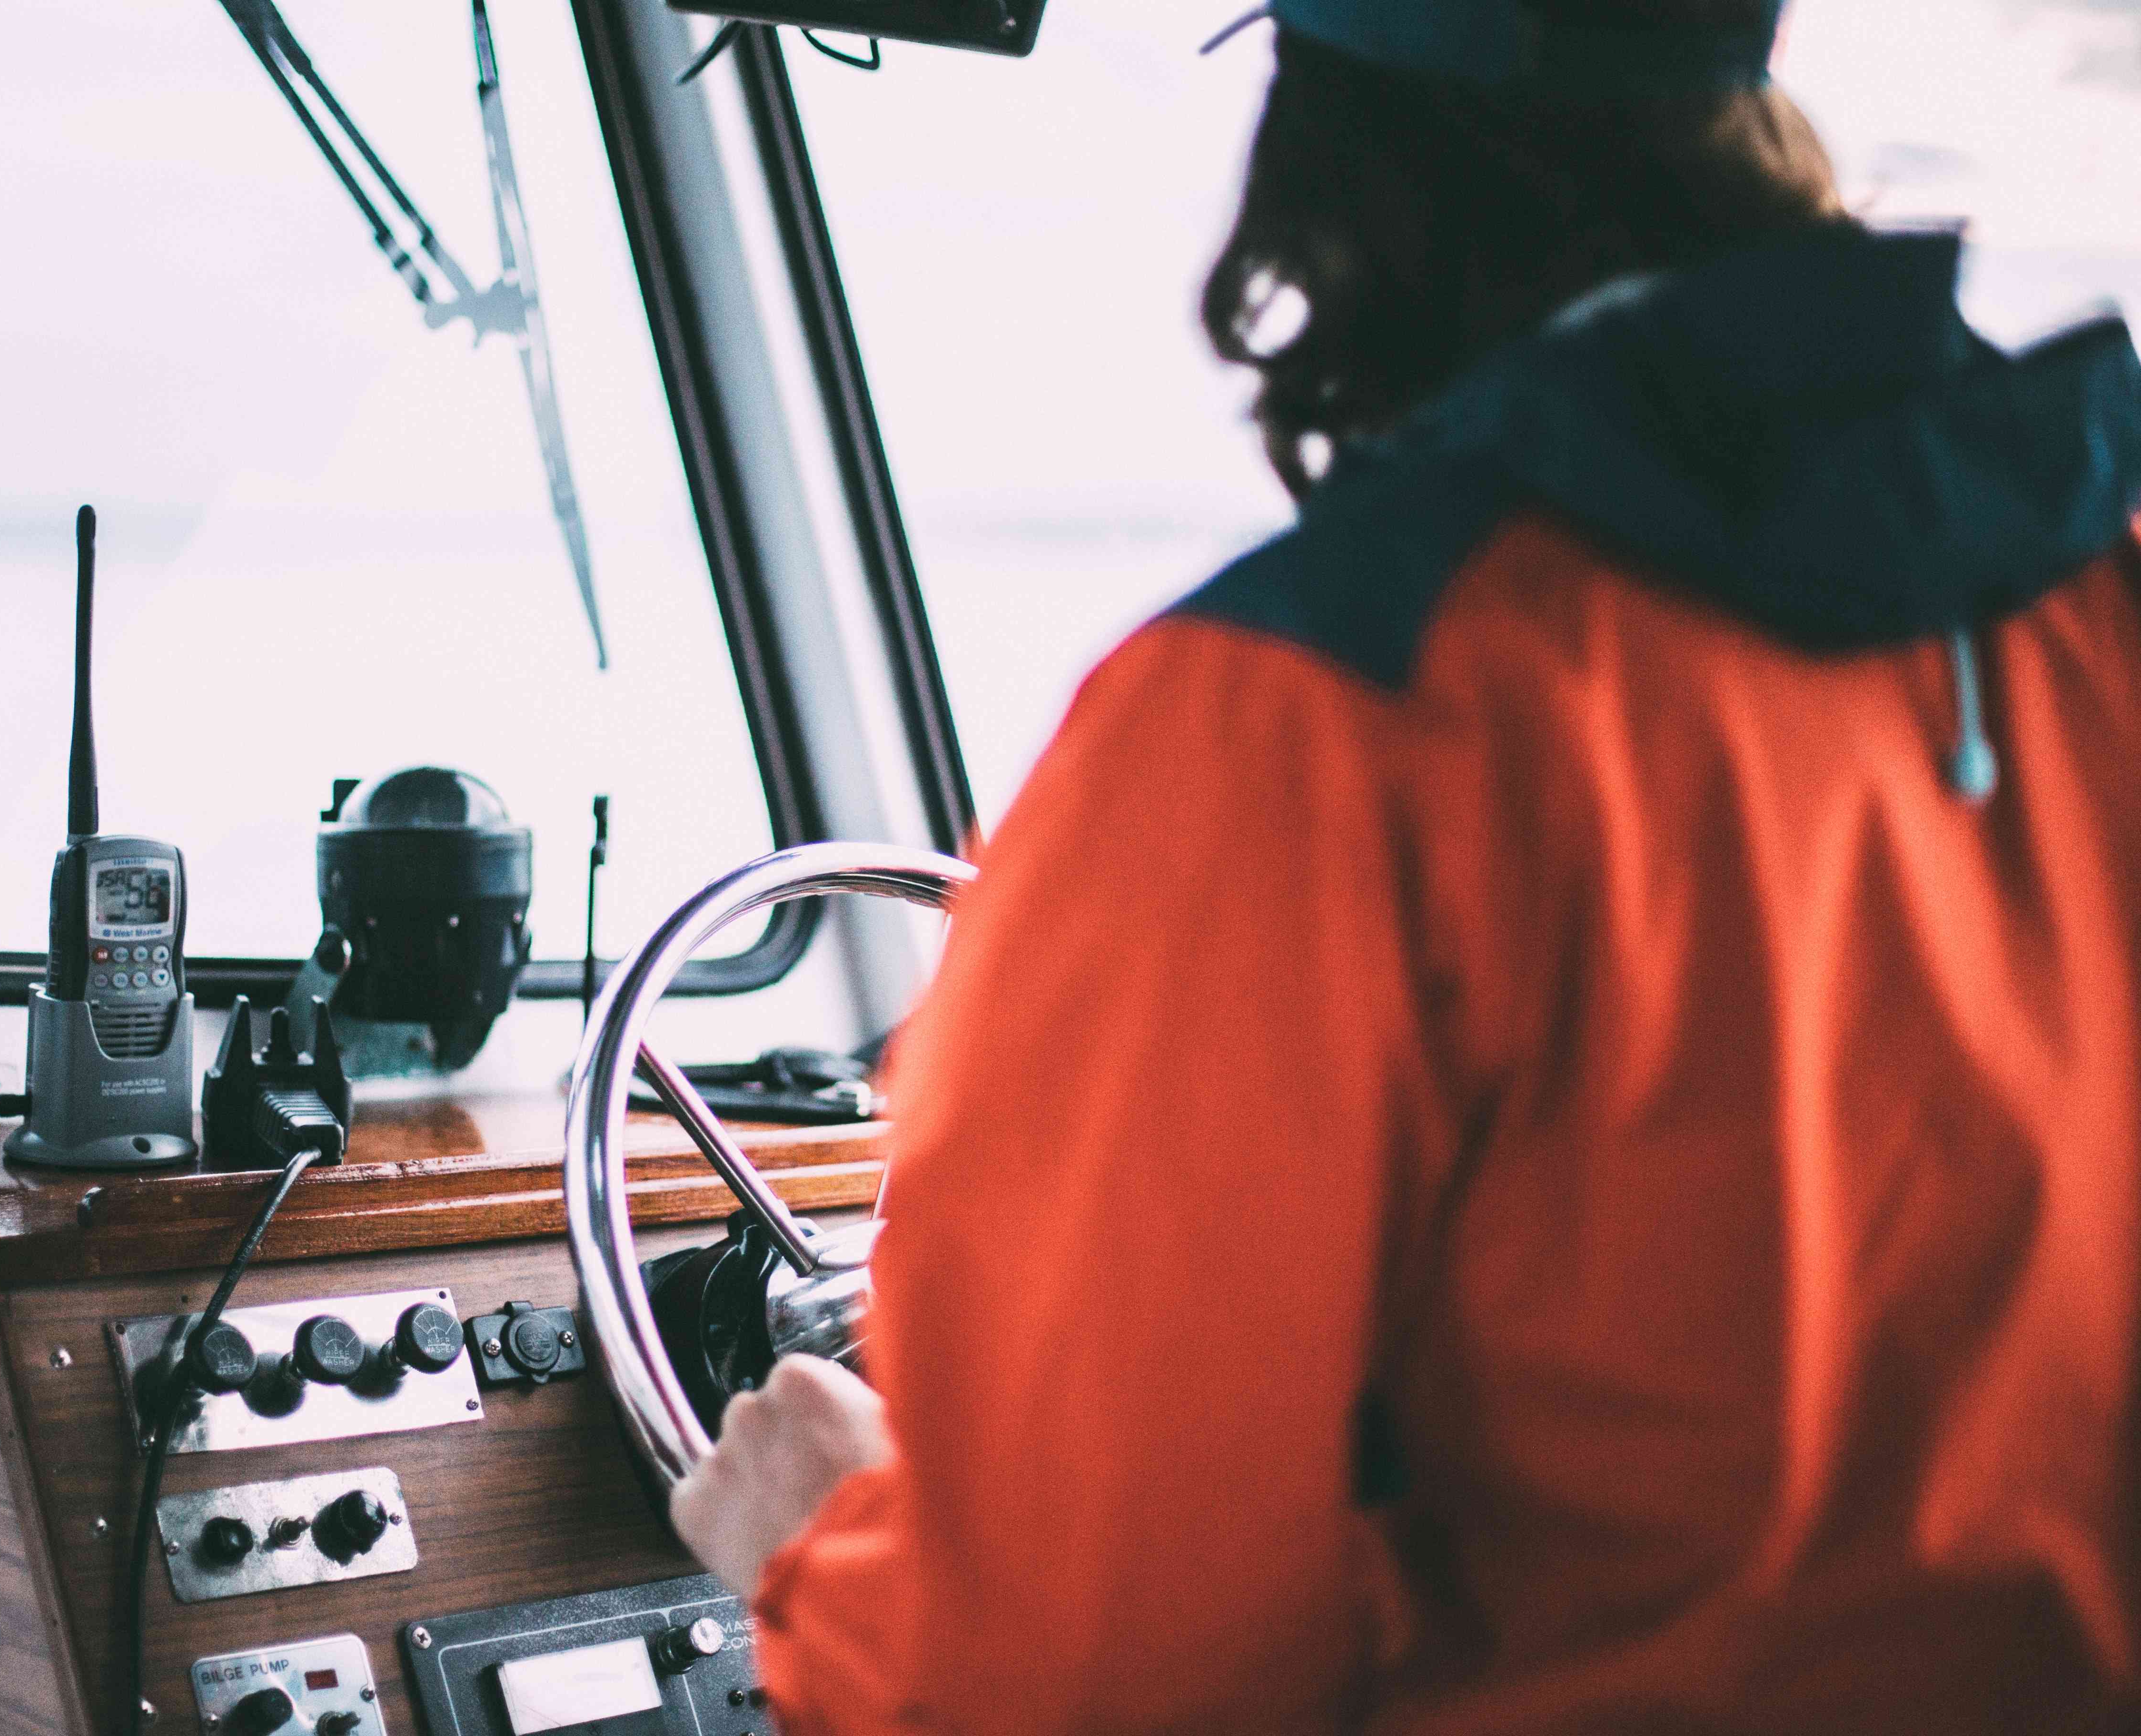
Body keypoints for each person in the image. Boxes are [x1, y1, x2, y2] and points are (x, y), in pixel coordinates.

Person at [670, 0, 2141, 1729]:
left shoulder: (1293, 731)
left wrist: (829, 1544)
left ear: (1327, 172)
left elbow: (1072, 1678)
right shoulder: (2091, 608)